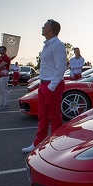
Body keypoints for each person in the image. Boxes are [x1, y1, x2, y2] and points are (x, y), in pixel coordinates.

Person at [22, 19, 67, 153]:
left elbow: (60, 68)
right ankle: (38, 143)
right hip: (44, 84)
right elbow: (47, 67)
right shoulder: (46, 45)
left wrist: (51, 87)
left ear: (50, 29)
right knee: (42, 116)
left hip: (52, 85)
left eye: (45, 26)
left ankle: (55, 145)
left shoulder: (58, 45)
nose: (42, 27)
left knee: (55, 116)